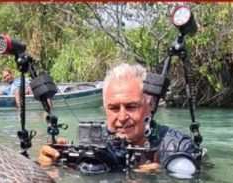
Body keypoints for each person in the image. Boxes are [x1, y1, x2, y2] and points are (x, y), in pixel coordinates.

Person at [37, 63, 201, 174]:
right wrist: (49, 165)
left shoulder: (177, 146)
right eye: (114, 108)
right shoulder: (98, 144)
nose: (122, 117)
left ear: (150, 105)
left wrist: (163, 175)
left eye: (131, 106)